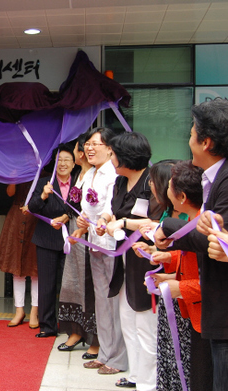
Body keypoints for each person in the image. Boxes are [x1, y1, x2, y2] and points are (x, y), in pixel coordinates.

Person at [155, 98, 228, 391]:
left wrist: (168, 228)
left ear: (206, 142)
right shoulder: (215, 178)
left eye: (191, 133)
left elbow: (213, 237)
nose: (188, 140)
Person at [138, 160, 212, 391]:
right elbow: (190, 261)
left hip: (204, 313)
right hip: (193, 308)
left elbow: (211, 280)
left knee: (201, 375)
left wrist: (180, 287)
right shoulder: (194, 220)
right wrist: (169, 263)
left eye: (169, 186)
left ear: (181, 197)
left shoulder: (202, 224)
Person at [70, 127, 127, 375]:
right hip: (94, 244)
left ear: (110, 148)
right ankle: (105, 353)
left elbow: (111, 207)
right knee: (102, 302)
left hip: (112, 245)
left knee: (114, 302)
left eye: (96, 144)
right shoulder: (89, 174)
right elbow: (87, 209)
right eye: (88, 144)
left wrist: (101, 221)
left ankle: (119, 359)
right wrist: (80, 226)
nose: (89, 149)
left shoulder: (113, 173)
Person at [103, 132, 156, 388]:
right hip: (124, 260)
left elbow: (155, 224)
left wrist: (123, 223)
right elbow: (114, 214)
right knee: (128, 320)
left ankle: (149, 381)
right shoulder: (120, 183)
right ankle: (135, 375)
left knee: (146, 324)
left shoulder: (152, 182)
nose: (110, 157)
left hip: (146, 261)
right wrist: (106, 222)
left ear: (125, 156)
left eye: (112, 153)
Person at [26, 144, 76, 338]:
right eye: (59, 160)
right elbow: (32, 207)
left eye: (66, 160)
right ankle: (47, 326)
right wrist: (43, 195)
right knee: (46, 284)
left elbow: (82, 208)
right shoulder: (45, 182)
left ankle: (69, 325)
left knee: (69, 285)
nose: (62, 164)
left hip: (70, 240)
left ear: (74, 164)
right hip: (46, 238)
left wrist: (66, 217)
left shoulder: (78, 183)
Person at [57, 132, 100, 357]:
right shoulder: (79, 175)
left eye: (75, 149)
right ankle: (75, 332)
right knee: (72, 282)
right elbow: (70, 205)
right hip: (74, 234)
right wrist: (64, 218)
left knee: (87, 285)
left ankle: (92, 337)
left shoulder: (95, 174)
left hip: (88, 234)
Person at [0, 181, 39, 329]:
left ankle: (34, 312)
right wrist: (13, 178)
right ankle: (19, 311)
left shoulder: (43, 175)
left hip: (36, 218)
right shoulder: (18, 172)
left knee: (35, 269)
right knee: (16, 267)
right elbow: (10, 193)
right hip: (17, 217)